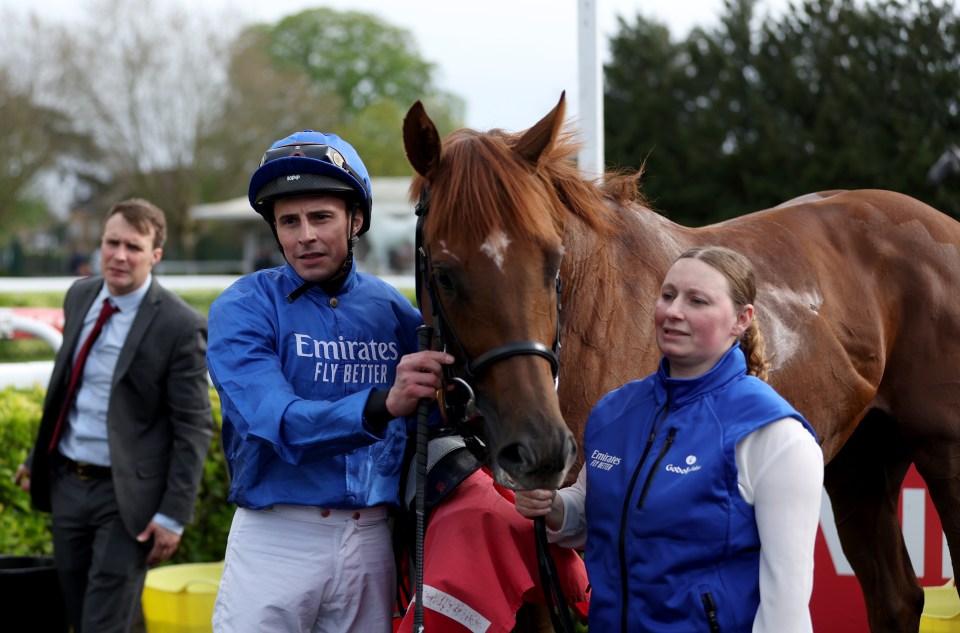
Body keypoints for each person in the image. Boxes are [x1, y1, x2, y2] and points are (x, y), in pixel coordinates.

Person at [206, 129, 452, 633]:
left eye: (321, 217)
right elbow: (277, 421)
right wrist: (384, 404)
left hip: (371, 540)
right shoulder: (243, 308)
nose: (305, 237)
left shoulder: (395, 312)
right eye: (289, 222)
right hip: (277, 535)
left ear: (355, 219)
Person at [514, 245, 824, 632]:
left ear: (741, 320)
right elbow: (595, 510)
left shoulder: (774, 435)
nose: (674, 311)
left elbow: (786, 605)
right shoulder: (614, 411)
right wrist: (555, 507)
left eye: (697, 301)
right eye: (668, 295)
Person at [15, 198, 214, 633]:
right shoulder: (80, 294)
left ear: (155, 256)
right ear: (100, 243)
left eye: (134, 247)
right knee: (78, 610)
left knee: (102, 623)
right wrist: (37, 457)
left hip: (128, 500)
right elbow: (65, 389)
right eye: (112, 243)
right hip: (67, 483)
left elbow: (194, 426)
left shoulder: (180, 325)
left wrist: (173, 515)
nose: (120, 256)